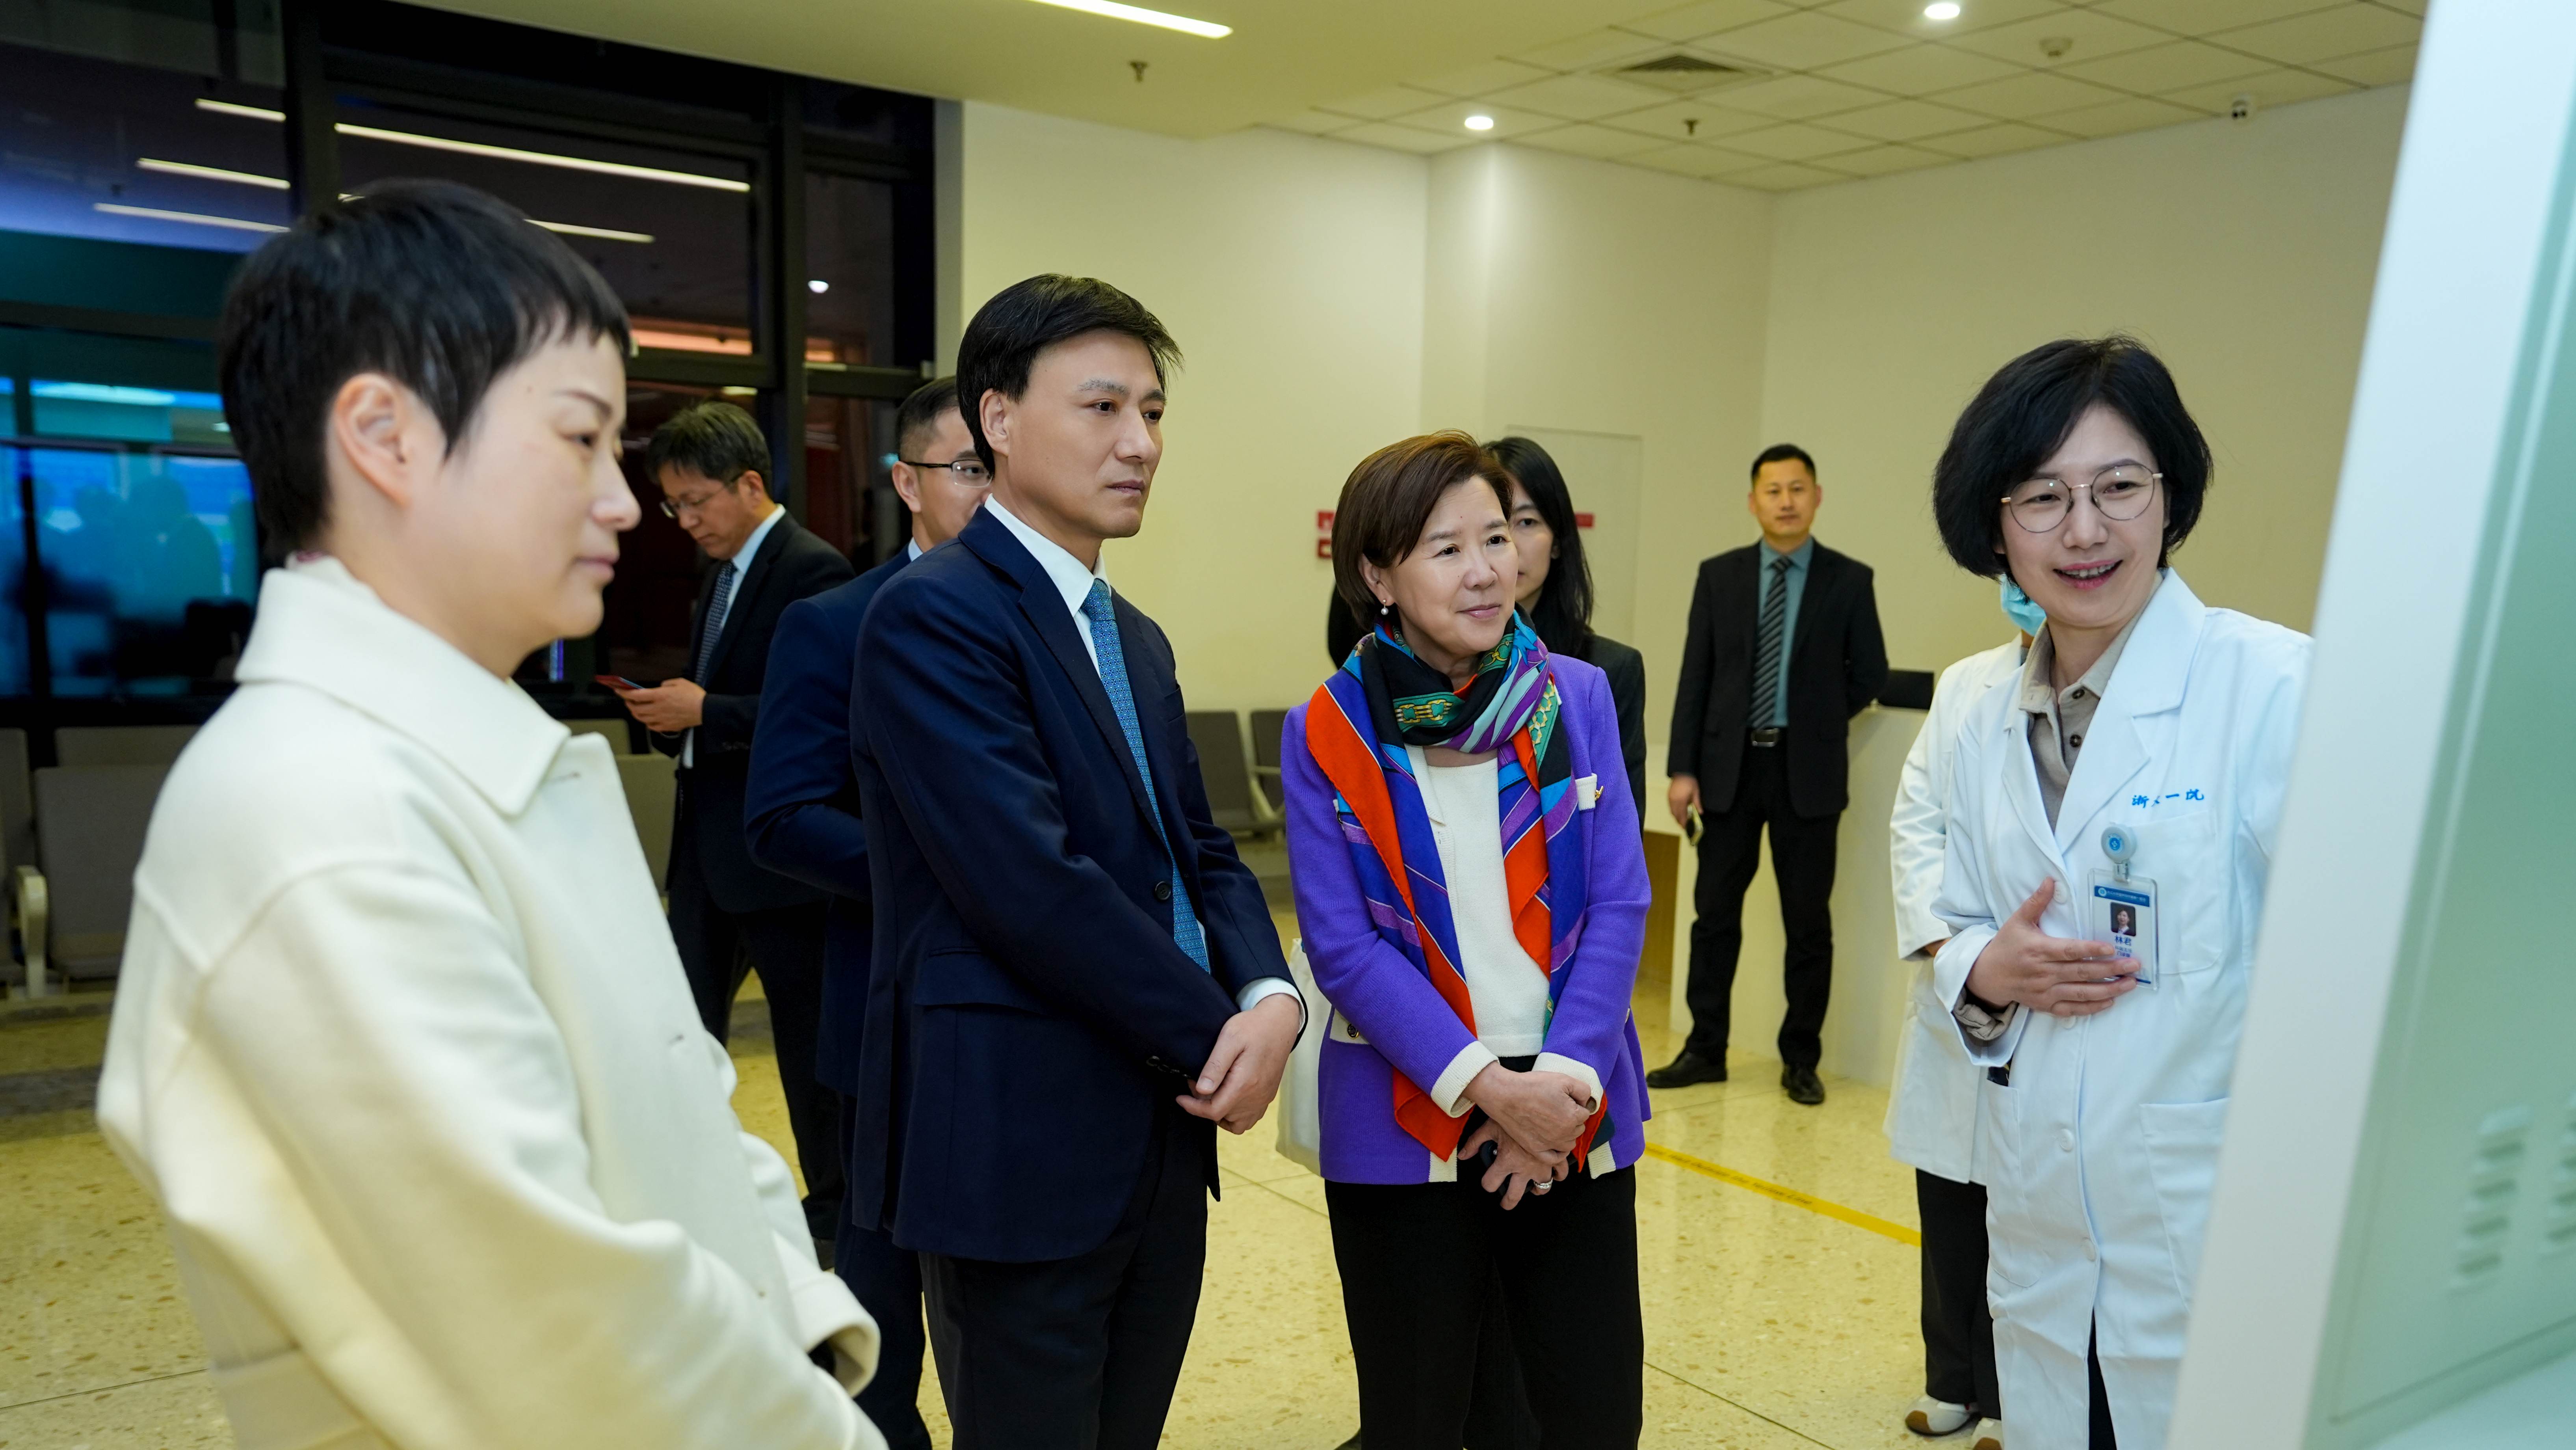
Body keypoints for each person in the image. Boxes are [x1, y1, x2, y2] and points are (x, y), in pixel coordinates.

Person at [95, 181, 887, 1450]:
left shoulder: (488, 759)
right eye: (579, 439)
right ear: (386, 435)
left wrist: (799, 1322)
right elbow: (558, 1327)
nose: (627, 504)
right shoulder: (312, 806)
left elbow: (684, 1113)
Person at [848, 274, 1302, 1450]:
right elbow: (1027, 881)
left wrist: (1270, 994)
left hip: (1155, 1135)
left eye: (1152, 412)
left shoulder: (1131, 635)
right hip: (1016, 1139)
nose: (1141, 443)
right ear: (997, 418)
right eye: (1102, 407)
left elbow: (1194, 846)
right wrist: (1214, 1031)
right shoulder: (933, 614)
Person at [1927, 337, 2308, 1450]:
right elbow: (1949, 919)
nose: (2084, 530)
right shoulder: (1977, 710)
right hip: (2040, 1226)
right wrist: (1979, 969)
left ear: (2170, 498)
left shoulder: (2273, 687)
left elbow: (2364, 971)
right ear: (1992, 526)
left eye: (2119, 487)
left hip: (2211, 1227)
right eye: (2041, 496)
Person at [1284, 431, 1651, 1450]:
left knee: (1590, 1409)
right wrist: (1491, 1086)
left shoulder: (1573, 696)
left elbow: (1619, 900)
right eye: (1446, 548)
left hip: (1576, 1105)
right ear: (1376, 573)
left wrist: (1559, 1086)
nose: (1488, 567)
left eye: (1497, 536)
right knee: (1419, 1414)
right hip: (1407, 1115)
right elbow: (1345, 947)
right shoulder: (1332, 725)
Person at [745, 375, 985, 1450]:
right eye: (967, 470)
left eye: (1003, 468)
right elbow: (782, 816)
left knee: (1003, 1301)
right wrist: (945, 870)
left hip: (1026, 1023)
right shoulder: (832, 622)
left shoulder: (1075, 625)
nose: (991, 491)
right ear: (907, 481)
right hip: (886, 999)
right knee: (882, 1284)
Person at [613, 401, 855, 1248]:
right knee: (681, 1037)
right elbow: (716, 696)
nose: (685, 522)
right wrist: (671, 716)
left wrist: (707, 709)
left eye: (696, 502)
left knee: (806, 1054)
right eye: (673, 506)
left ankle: (833, 1214)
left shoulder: (812, 573)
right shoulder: (719, 574)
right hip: (707, 851)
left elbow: (824, 718)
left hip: (781, 864)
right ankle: (691, 1198)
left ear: (749, 485)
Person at [1656, 443, 1887, 1105]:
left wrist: (1816, 720)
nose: (1784, 500)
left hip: (1806, 773)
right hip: (1727, 769)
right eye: (1771, 489)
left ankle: (1800, 1058)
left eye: (1796, 488)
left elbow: (1868, 672)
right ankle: (1704, 1048)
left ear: (1816, 496)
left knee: (1807, 923)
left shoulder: (1848, 579)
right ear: (1752, 500)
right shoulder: (1718, 575)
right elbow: (1694, 676)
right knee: (1712, 918)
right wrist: (1682, 769)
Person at [1885, 588, 2033, 1450]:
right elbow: (1916, 822)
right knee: (1947, 1200)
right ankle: (1951, 1382)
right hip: (1959, 980)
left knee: (2027, 1214)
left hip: (2051, 991)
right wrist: (1948, 946)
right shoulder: (1964, 685)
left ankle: (2018, 1399)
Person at [1488, 435, 1649, 814]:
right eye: (1494, 526)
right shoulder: (1435, 665)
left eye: (1527, 522)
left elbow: (1622, 831)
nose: (1509, 544)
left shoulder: (1607, 671)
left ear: (1558, 541)